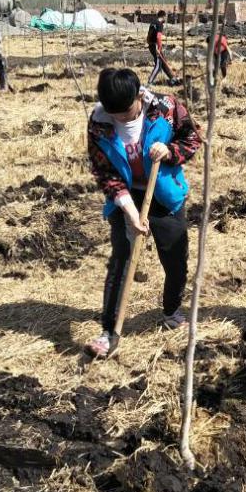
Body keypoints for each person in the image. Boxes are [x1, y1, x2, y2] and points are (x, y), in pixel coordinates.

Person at [85, 68, 202, 358]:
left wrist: (170, 150)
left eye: (125, 112)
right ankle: (109, 330)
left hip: (163, 193)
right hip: (125, 196)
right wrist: (129, 211)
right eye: (115, 114)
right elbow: (105, 173)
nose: (121, 119)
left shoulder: (166, 109)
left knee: (174, 257)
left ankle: (172, 310)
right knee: (121, 260)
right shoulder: (99, 123)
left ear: (140, 96)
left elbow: (193, 139)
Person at [146, 11, 177, 85]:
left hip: (151, 45)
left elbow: (148, 34)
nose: (166, 18)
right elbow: (158, 37)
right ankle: (150, 82)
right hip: (156, 46)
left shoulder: (153, 22)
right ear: (163, 16)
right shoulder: (160, 24)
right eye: (166, 17)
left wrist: (149, 43)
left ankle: (172, 78)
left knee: (163, 62)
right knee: (158, 65)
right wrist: (159, 48)